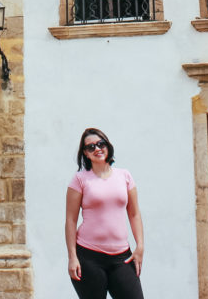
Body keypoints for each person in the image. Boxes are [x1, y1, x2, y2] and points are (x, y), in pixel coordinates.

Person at [65, 127, 146, 299]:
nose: (97, 149)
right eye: (90, 147)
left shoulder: (125, 176)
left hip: (122, 257)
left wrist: (140, 247)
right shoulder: (80, 179)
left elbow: (134, 214)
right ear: (85, 153)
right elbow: (71, 221)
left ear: (107, 146)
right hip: (88, 257)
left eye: (100, 144)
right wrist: (72, 257)